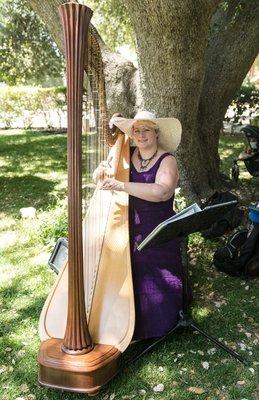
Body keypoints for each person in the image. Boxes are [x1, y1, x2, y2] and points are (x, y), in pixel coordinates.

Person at [94, 110, 184, 340]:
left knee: (145, 261)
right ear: (131, 135)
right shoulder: (127, 153)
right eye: (136, 130)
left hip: (157, 227)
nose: (141, 134)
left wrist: (121, 185)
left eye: (146, 129)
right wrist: (100, 172)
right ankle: (123, 320)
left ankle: (157, 325)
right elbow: (103, 178)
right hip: (126, 222)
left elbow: (162, 192)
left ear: (156, 133)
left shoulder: (167, 159)